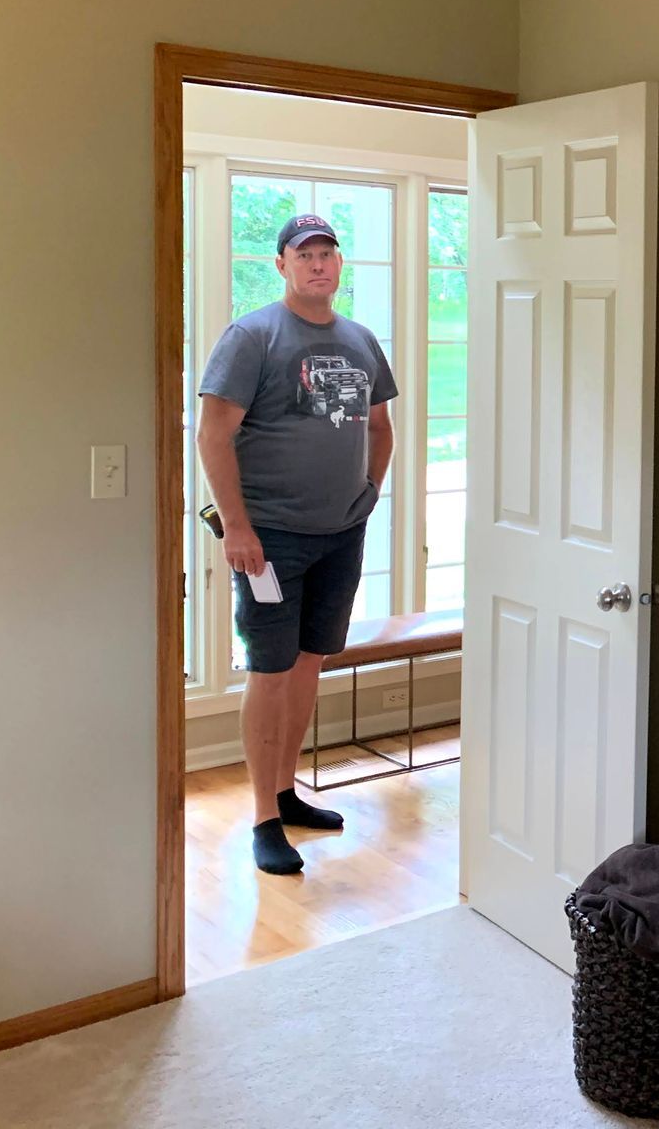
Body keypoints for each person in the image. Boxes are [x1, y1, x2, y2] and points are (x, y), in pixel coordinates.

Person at [196, 212, 397, 874]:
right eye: (304, 254)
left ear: (341, 266)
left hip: (341, 534)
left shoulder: (361, 340)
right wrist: (239, 527)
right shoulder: (252, 336)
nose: (318, 264)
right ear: (281, 264)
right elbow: (213, 435)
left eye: (328, 254)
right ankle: (261, 816)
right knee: (271, 667)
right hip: (270, 540)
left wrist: (366, 495)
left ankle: (286, 792)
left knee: (310, 661)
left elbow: (379, 427)